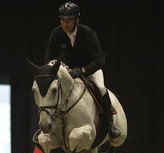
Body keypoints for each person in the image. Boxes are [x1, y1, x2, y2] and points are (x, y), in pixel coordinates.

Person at [44, 2, 122, 139]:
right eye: (62, 20)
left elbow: (99, 60)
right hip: (67, 70)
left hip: (90, 68)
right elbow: (48, 57)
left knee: (101, 87)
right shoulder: (56, 33)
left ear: (77, 20)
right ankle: (48, 124)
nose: (65, 24)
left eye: (69, 20)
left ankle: (110, 125)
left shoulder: (88, 33)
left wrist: (83, 70)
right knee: (53, 90)